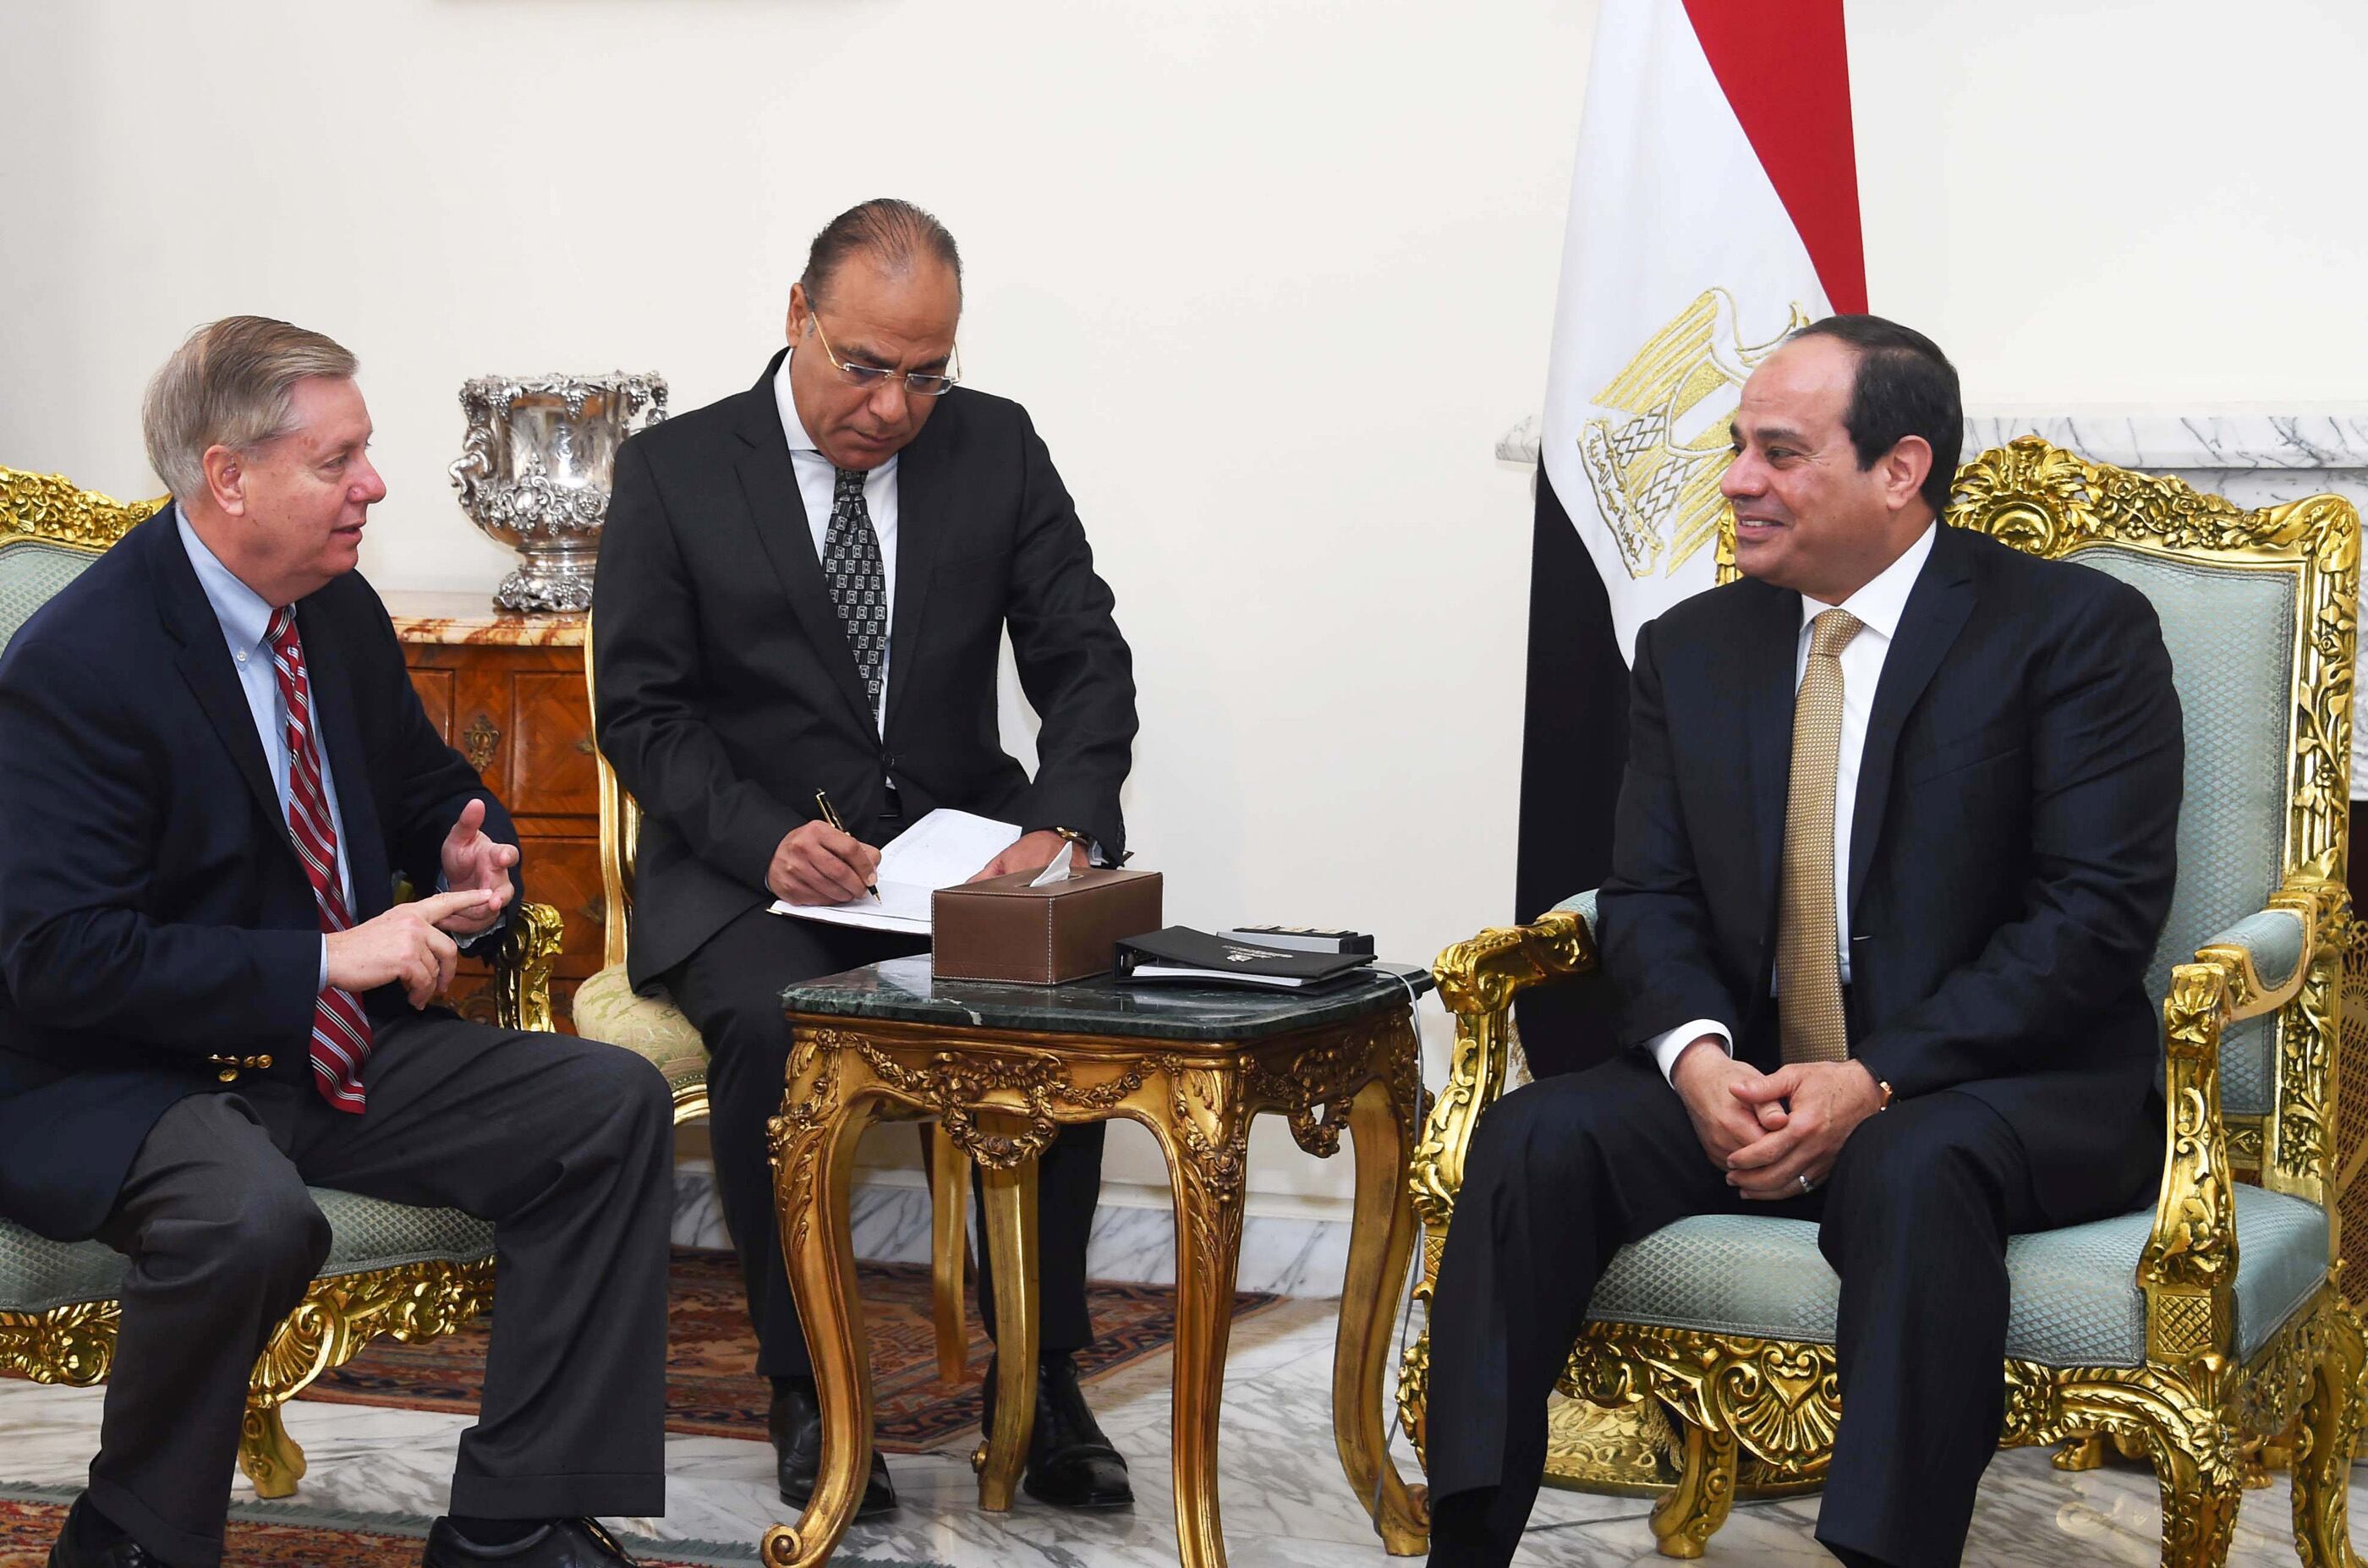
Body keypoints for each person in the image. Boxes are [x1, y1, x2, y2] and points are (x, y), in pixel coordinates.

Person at [1421, 315, 2182, 1568]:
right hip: (1757, 1073)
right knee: (1530, 1139)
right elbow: (1648, 894)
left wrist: (1874, 1079)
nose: (1736, 480)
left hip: (1999, 1085)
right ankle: (1464, 1548)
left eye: (1779, 452)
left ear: (1900, 469)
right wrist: (1695, 1060)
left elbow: (2093, 919)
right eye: (1738, 447)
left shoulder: (2073, 632)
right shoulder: (1691, 650)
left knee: (1910, 1166)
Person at [0, 317, 673, 1568]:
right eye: (338, 461)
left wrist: (473, 852)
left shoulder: (333, 607)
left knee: (606, 1106)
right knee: (248, 1215)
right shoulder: (79, 663)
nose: (374, 485)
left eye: (366, 452)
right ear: (229, 476)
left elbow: (427, 790)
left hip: (318, 1051)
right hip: (127, 1073)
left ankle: (515, 1526)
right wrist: (326, 961)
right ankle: (128, 1539)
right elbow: (63, 958)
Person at [594, 199, 1140, 1516]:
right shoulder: (674, 470)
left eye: (927, 372)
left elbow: (1084, 656)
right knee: (779, 1026)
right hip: (751, 869)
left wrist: (1060, 824)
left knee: (1067, 994)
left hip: (953, 853)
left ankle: (1042, 1375)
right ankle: (808, 1386)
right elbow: (644, 714)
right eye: (868, 366)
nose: (895, 406)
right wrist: (764, 838)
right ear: (799, 315)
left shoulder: (996, 447)